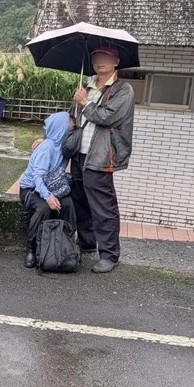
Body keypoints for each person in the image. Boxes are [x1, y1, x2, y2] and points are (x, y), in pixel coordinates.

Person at [71, 45, 135, 274]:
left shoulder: (123, 90)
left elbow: (107, 117)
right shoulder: (86, 86)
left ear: (116, 61)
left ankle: (109, 255)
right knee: (80, 202)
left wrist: (84, 103)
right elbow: (75, 118)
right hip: (80, 154)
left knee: (103, 208)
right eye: (97, 57)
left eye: (106, 57)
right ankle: (87, 242)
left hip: (101, 156)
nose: (101, 61)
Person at [19, 112, 77, 268]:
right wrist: (49, 197)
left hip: (53, 186)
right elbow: (37, 177)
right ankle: (31, 248)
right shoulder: (47, 148)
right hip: (31, 188)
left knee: (68, 204)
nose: (72, 126)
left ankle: (68, 245)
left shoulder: (64, 146)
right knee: (44, 208)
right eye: (70, 124)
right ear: (61, 127)